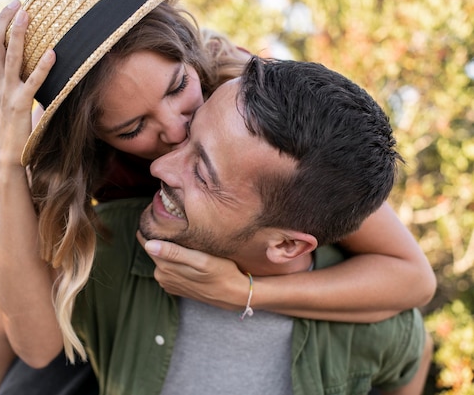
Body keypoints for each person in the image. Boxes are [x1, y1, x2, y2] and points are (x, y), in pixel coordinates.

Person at [0, 0, 436, 393]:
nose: (176, 134)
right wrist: (7, 161)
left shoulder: (249, 107)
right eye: (134, 128)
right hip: (126, 309)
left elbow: (411, 279)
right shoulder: (74, 169)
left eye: (178, 89)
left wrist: (243, 293)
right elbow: (36, 344)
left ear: (191, 56)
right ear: (93, 137)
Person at [73, 57, 432, 395]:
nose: (159, 168)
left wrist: (244, 294)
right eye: (189, 137)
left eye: (201, 174)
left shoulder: (374, 324)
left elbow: (415, 337)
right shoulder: (105, 247)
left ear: (287, 246)